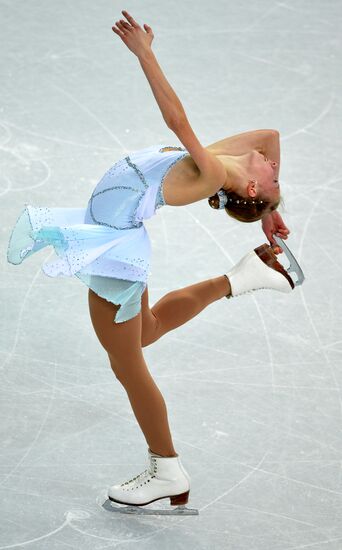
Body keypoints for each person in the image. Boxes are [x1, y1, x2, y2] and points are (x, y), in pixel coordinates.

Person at [7, 10, 297, 513]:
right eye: (275, 175)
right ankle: (243, 277)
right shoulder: (231, 160)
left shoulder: (209, 171)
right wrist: (272, 211)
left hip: (115, 250)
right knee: (144, 332)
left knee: (128, 364)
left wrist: (145, 54)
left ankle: (166, 468)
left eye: (272, 179)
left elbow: (176, 120)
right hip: (116, 239)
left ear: (248, 188)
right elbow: (270, 136)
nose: (274, 166)